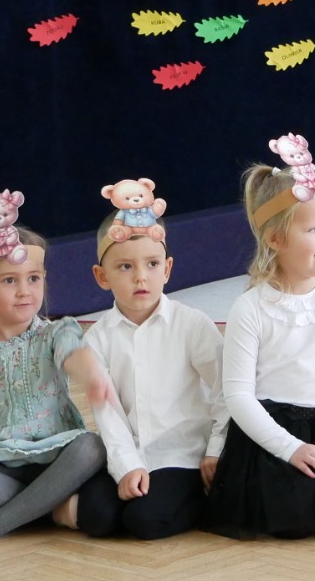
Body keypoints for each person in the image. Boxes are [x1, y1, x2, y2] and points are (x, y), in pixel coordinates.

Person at [204, 135, 315, 538]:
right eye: (314, 229)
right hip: (274, 433)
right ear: (275, 239)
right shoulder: (250, 308)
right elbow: (238, 395)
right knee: (295, 518)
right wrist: (291, 448)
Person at [0, 210, 112, 542]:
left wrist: (92, 375)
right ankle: (47, 507)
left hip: (57, 458)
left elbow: (74, 352)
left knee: (91, 446)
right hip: (1, 463)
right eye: (9, 281)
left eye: (33, 279)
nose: (24, 291)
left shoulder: (55, 332)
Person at [77, 199, 227, 539]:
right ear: (102, 276)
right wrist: (127, 466)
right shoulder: (97, 339)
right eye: (125, 267)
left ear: (167, 268)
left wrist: (217, 449)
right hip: (132, 451)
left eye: (152, 264)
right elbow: (108, 415)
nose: (141, 277)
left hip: (182, 456)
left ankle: (209, 499)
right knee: (96, 516)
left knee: (145, 520)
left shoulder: (192, 324)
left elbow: (225, 389)